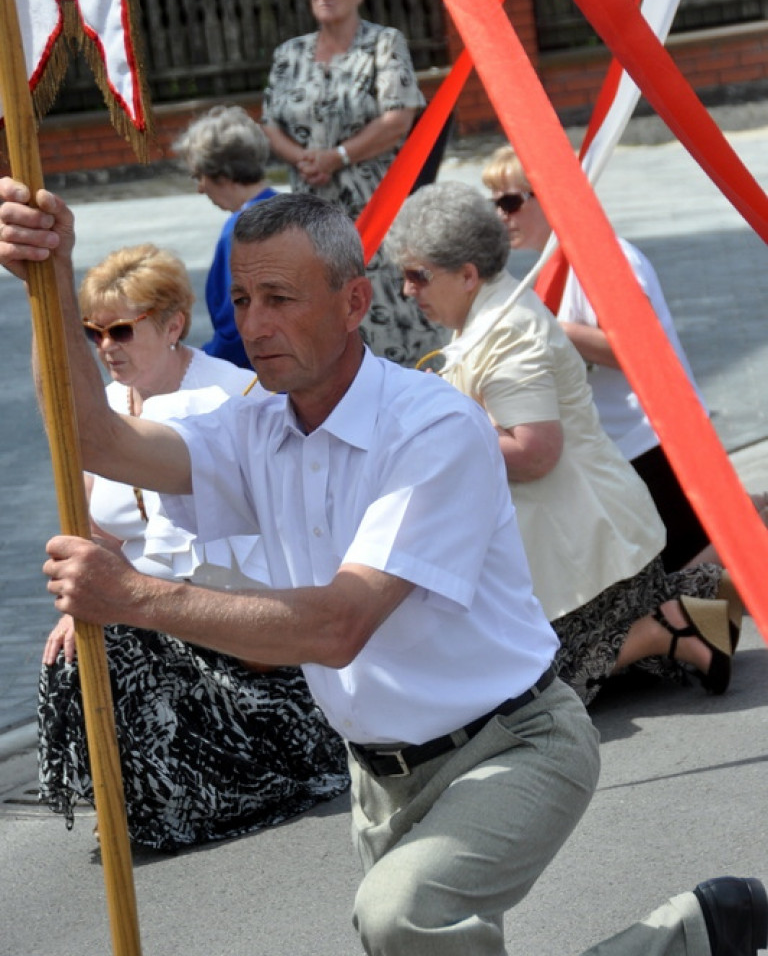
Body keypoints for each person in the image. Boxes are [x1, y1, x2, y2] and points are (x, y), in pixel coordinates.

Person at [1, 178, 764, 956]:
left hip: (513, 743)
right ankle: (697, 936)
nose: (254, 325)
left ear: (354, 302)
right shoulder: (252, 428)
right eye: (242, 300)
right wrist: (50, 279)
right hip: (378, 776)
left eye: (279, 298)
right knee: (410, 935)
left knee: (403, 918)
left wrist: (135, 597)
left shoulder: (433, 427)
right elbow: (90, 436)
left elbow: (339, 625)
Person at [38, 243, 349, 851]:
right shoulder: (104, 408)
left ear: (172, 325)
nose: (106, 347)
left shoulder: (236, 395)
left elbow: (272, 541)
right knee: (70, 646)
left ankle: (209, 789)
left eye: (122, 330)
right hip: (155, 598)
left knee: (122, 637)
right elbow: (99, 533)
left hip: (243, 612)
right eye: (93, 333)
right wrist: (79, 602)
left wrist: (123, 599)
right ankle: (142, 795)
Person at [388, 182, 740, 705]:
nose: (406, 290)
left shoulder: (506, 332)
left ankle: (670, 624)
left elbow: (534, 452)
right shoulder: (486, 314)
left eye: (418, 275)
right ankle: (698, 596)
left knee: (531, 692)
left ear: (466, 274)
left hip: (584, 548)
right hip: (583, 542)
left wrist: (438, 425)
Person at [481, 144, 722, 572]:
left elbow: (638, 348)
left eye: (511, 202)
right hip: (621, 448)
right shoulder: (554, 270)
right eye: (494, 203)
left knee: (690, 571)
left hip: (656, 437)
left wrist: (547, 327)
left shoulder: (606, 257)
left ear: (548, 195)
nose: (501, 215)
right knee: (675, 572)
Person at [261, 0, 447, 366]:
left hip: (376, 205)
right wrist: (301, 158)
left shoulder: (384, 44)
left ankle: (422, 386)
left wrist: (338, 156)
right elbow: (269, 123)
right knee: (329, 307)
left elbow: (398, 118)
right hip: (312, 212)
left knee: (393, 306)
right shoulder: (289, 54)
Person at [172, 104, 278, 368]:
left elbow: (238, 325)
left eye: (199, 175)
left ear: (221, 173)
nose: (200, 188)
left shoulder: (240, 231)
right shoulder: (292, 209)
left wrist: (198, 363)